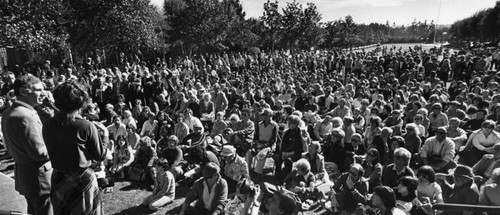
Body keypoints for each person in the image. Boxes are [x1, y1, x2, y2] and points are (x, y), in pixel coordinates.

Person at [43, 81, 108, 215]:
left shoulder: (48, 124)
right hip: (82, 178)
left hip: (59, 178)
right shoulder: (86, 126)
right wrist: (105, 136)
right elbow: (100, 155)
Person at [2, 75, 54, 215]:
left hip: (25, 176)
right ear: (24, 91)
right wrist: (60, 148)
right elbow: (39, 153)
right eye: (38, 90)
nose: (44, 94)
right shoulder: (25, 116)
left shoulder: (9, 113)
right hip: (39, 179)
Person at [247, 108, 278, 176]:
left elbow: (273, 140)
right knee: (249, 153)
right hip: (259, 143)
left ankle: (257, 173)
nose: (264, 116)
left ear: (271, 115)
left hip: (268, 145)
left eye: (266, 115)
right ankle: (249, 170)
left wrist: (265, 145)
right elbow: (256, 136)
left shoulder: (274, 125)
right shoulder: (259, 124)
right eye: (263, 115)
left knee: (262, 155)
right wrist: (256, 143)